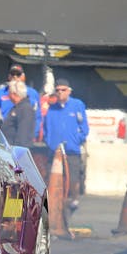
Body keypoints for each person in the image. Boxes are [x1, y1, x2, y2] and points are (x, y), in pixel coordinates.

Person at [43, 78, 89, 212]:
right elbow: (46, 129)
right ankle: (52, 201)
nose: (60, 92)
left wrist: (77, 140)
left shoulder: (77, 105)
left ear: (69, 91)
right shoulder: (52, 109)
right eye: (57, 90)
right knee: (51, 176)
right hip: (55, 150)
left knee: (73, 177)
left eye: (63, 90)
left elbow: (84, 127)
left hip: (72, 149)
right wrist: (50, 143)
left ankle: (74, 199)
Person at [0, 64, 41, 133]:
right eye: (12, 74)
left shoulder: (32, 93)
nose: (15, 77)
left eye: (18, 74)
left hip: (23, 132)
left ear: (23, 76)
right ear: (9, 76)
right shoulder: (1, 92)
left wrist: (32, 133)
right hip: (3, 132)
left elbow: (37, 116)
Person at [1, 79, 36, 148]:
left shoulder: (25, 109)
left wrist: (16, 151)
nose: (8, 94)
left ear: (14, 94)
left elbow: (23, 134)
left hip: (16, 150)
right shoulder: (17, 108)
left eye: (9, 92)